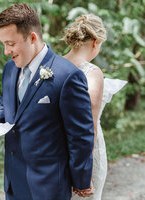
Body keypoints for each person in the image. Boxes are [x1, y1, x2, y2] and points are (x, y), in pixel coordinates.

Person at [0, 4, 95, 200]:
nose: (6, 51)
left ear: (32, 38)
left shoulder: (68, 76)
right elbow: (7, 103)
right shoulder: (9, 69)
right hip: (13, 182)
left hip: (48, 185)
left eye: (11, 43)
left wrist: (81, 180)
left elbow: (80, 136)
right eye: (3, 44)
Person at [63, 14, 126, 200]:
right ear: (95, 42)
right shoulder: (92, 73)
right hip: (86, 152)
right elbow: (87, 124)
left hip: (56, 150)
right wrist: (84, 172)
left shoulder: (53, 65)